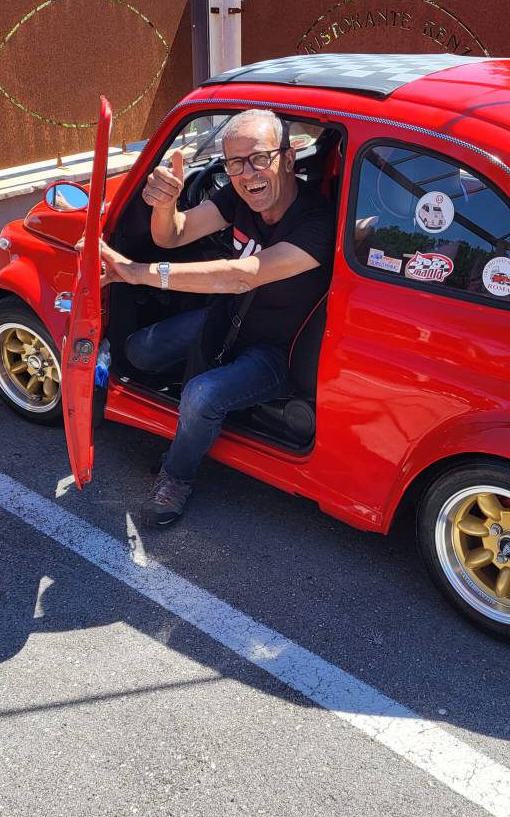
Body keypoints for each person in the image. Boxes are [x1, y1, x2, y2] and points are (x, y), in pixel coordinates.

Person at [98, 108, 335, 528]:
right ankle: (195, 412)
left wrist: (138, 272)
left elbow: (242, 275)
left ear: (288, 158)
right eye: (235, 164)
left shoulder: (317, 221)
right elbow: (172, 235)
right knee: (137, 351)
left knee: (202, 395)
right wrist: (165, 205)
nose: (247, 174)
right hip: (228, 320)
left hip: (276, 353)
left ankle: (177, 475)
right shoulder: (239, 196)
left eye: (259, 159)